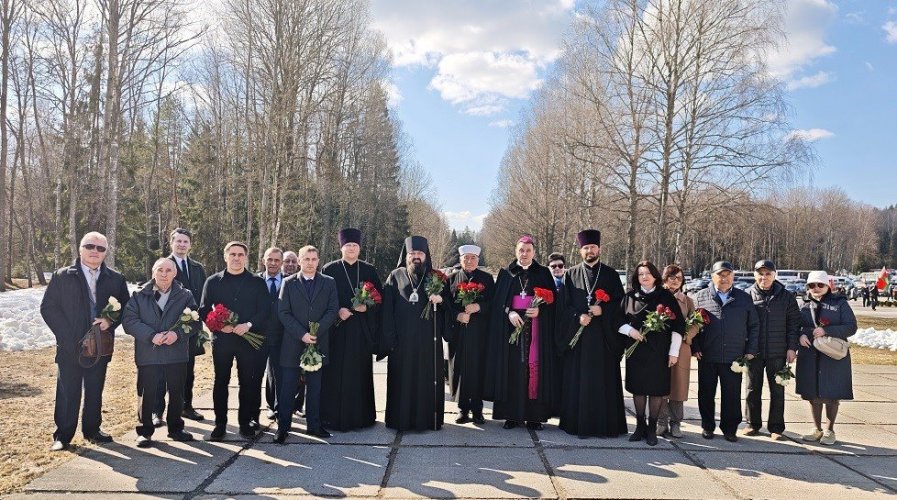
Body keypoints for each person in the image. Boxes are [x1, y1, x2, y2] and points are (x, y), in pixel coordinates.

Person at [40, 231, 130, 451]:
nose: (95, 252)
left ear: (105, 253)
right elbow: (49, 308)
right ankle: (63, 435)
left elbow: (126, 308)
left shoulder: (116, 278)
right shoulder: (62, 276)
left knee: (94, 389)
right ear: (80, 249)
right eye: (90, 246)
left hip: (99, 346)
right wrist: (67, 337)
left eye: (100, 248)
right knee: (68, 390)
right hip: (69, 346)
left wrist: (110, 321)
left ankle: (92, 430)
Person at [556, 229, 628, 438]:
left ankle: (604, 426)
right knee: (579, 382)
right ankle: (577, 425)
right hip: (578, 340)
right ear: (580, 251)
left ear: (599, 249)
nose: (590, 251)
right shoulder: (570, 274)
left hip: (603, 341)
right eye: (586, 248)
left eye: (593, 247)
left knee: (602, 382)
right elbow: (563, 307)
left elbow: (620, 305)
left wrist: (603, 311)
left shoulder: (611, 274)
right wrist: (578, 317)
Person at [486, 235, 561, 431]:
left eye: (528, 250)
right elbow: (497, 304)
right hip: (511, 328)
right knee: (513, 370)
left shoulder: (544, 273)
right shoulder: (506, 273)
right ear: (516, 251)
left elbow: (555, 305)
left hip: (536, 329)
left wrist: (540, 311)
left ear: (534, 252)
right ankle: (512, 416)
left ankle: (535, 417)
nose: (524, 254)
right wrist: (508, 312)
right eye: (521, 250)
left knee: (533, 369)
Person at [122, 258, 199, 447]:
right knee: (146, 393)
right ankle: (145, 432)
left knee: (176, 392)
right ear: (153, 272)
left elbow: (195, 321)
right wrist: (151, 336)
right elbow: (129, 321)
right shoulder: (139, 295)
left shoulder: (185, 295)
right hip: (149, 353)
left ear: (175, 273)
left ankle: (176, 428)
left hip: (176, 353)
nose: (164, 274)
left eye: (168, 270)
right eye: (160, 270)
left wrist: (177, 334)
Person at [380, 236, 453, 431]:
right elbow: (386, 310)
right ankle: (399, 420)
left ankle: (427, 420)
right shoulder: (395, 276)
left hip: (428, 342)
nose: (416, 257)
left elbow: (450, 307)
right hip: (401, 343)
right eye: (412, 253)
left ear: (426, 255)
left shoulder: (436, 278)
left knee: (426, 381)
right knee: (401, 381)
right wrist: (390, 339)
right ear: (406, 255)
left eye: (419, 253)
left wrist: (441, 301)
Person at [200, 241, 270, 441]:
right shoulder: (213, 281)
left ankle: (244, 422)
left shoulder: (256, 282)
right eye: (233, 254)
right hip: (222, 340)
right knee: (221, 381)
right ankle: (220, 423)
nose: (236, 258)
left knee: (247, 382)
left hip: (247, 340)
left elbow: (265, 310)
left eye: (240, 254)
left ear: (246, 257)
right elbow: (204, 309)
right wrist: (219, 326)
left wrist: (248, 324)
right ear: (225, 257)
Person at [321, 229, 383, 431]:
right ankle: (332, 418)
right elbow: (322, 298)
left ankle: (362, 418)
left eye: (354, 246)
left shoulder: (369, 270)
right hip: (336, 331)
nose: (351, 249)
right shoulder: (329, 269)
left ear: (359, 248)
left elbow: (380, 298)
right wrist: (338, 310)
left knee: (359, 373)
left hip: (360, 331)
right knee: (335, 373)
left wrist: (368, 307)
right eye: (348, 246)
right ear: (341, 247)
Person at [275, 245, 339, 442]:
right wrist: (302, 334)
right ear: (299, 261)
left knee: (315, 387)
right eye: (306, 259)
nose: (310, 263)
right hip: (293, 343)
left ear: (318, 261)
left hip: (318, 342)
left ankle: (314, 425)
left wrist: (316, 331)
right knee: (287, 388)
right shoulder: (288, 282)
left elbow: (332, 309)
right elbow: (283, 312)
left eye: (313, 259)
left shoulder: (329, 282)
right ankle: (283, 427)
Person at [618, 261, 685, 446]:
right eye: (640, 274)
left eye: (647, 273)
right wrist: (629, 331)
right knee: (638, 388)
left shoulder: (665, 297)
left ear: (655, 275)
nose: (644, 277)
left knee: (656, 390)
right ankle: (639, 426)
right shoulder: (630, 296)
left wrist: (674, 352)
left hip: (659, 352)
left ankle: (651, 428)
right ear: (636, 277)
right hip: (636, 352)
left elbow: (679, 325)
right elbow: (617, 320)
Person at [692, 261, 759, 442]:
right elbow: (692, 326)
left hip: (734, 356)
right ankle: (707, 426)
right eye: (720, 274)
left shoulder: (743, 298)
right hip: (707, 355)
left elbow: (754, 326)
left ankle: (730, 428)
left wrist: (751, 349)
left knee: (731, 395)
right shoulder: (700, 297)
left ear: (733, 277)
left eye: (728, 274)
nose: (724, 278)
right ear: (712, 276)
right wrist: (695, 347)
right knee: (706, 393)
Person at [797, 271, 857, 446]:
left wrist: (827, 331)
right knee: (812, 393)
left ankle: (830, 430)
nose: (816, 288)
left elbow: (851, 327)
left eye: (820, 285)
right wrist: (800, 335)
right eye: (811, 285)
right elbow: (796, 325)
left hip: (832, 354)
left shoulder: (840, 303)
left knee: (832, 392)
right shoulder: (804, 304)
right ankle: (817, 429)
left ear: (827, 285)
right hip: (810, 353)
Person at [743, 259, 801, 440]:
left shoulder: (787, 296)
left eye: (768, 273)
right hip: (754, 352)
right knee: (753, 389)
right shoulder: (746, 295)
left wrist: (792, 348)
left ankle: (776, 428)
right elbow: (741, 324)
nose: (764, 277)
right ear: (755, 275)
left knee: (777, 390)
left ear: (775, 275)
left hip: (778, 352)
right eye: (760, 273)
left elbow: (794, 325)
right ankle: (753, 424)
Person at [156, 228, 208, 424]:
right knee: (162, 370)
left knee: (188, 369)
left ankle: (186, 406)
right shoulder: (163, 265)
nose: (182, 245)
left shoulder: (197, 268)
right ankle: (157, 411)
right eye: (178, 241)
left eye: (185, 241)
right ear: (171, 243)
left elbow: (203, 297)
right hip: (168, 327)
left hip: (191, 328)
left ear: (190, 245)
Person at [447, 244, 495, 425]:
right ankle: (462, 409)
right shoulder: (451, 279)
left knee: (477, 370)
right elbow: (446, 305)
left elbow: (494, 304)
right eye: (465, 258)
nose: (469, 261)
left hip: (479, 334)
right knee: (459, 369)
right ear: (460, 260)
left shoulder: (487, 279)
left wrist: (479, 307)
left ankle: (477, 409)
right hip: (458, 333)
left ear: (478, 260)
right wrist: (457, 314)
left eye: (472, 258)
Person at [657, 264, 699, 438]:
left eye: (679, 278)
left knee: (678, 386)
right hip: (660, 347)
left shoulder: (687, 300)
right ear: (665, 278)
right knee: (659, 384)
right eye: (672, 277)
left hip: (681, 348)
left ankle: (676, 423)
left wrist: (685, 336)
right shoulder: (657, 297)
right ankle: (661, 421)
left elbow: (696, 322)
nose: (675, 281)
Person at [259, 247, 285, 421]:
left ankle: (279, 408)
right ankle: (265, 407)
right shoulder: (255, 280)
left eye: (277, 260)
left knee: (280, 373)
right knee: (258, 375)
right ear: (264, 260)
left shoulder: (289, 282)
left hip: (283, 335)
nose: (273, 263)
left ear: (281, 263)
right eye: (270, 259)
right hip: (258, 336)